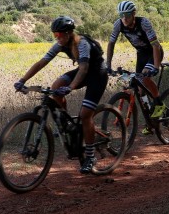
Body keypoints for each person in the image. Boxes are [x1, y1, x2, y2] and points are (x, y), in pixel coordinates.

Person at [14, 16, 107, 174]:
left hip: (97, 74)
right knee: (56, 87)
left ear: (69, 33)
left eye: (60, 35)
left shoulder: (82, 43)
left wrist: (70, 87)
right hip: (83, 72)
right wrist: (22, 80)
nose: (57, 38)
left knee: (85, 115)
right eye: (55, 35)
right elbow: (41, 62)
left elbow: (84, 69)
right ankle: (66, 123)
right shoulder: (59, 45)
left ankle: (90, 157)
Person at [106, 0, 165, 134]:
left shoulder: (144, 23)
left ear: (133, 14)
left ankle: (159, 103)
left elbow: (155, 45)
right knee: (140, 89)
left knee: (144, 76)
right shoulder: (118, 24)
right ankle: (150, 120)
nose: (124, 18)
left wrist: (155, 67)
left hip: (153, 52)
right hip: (141, 54)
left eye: (127, 15)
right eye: (121, 15)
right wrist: (108, 65)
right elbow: (111, 44)